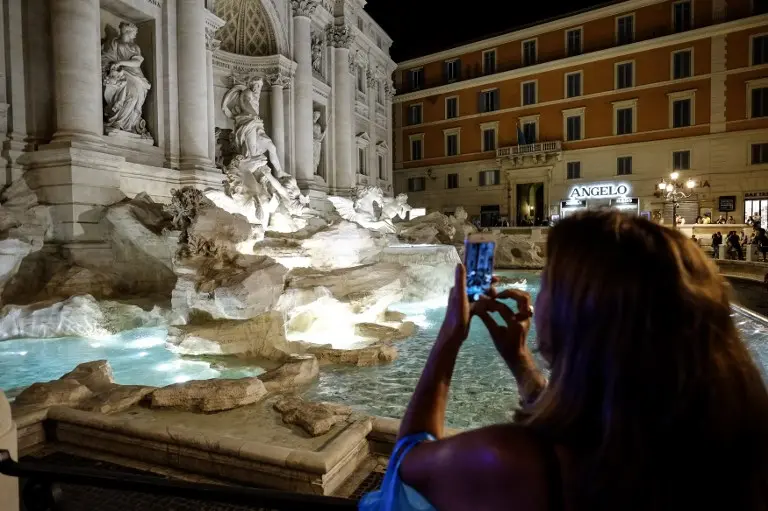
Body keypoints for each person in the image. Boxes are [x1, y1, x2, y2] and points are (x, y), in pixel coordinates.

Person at [396, 211, 768, 511]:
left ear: (572, 316)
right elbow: (588, 424)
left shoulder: (512, 463)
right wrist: (520, 359)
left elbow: (407, 465)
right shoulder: (728, 442)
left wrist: (448, 339)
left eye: (548, 282)